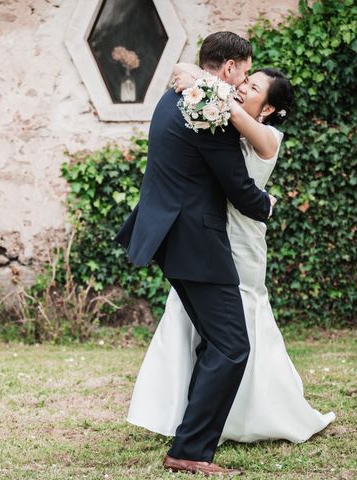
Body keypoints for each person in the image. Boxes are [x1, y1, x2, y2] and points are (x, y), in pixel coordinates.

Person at [127, 64, 335, 451]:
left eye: (252, 86)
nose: (241, 88)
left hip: (242, 240)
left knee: (237, 332)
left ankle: (252, 413)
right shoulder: (222, 120)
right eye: (242, 80)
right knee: (207, 333)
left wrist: (203, 83)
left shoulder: (267, 135)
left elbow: (233, 116)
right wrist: (196, 77)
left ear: (269, 108)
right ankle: (197, 417)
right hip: (211, 237)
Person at [115, 32, 275, 476]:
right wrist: (266, 205)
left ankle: (194, 434)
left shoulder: (174, 96)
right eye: (243, 71)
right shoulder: (210, 109)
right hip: (196, 239)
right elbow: (237, 185)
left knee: (213, 340)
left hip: (169, 232)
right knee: (231, 345)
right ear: (227, 68)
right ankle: (189, 450)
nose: (243, 81)